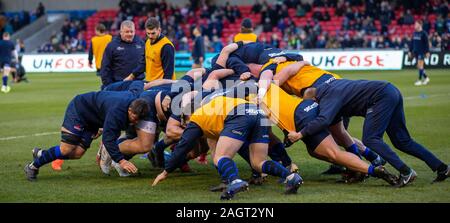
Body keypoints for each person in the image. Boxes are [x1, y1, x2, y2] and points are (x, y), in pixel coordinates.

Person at [288, 79, 449, 187]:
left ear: (314, 100)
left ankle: (406, 172)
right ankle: (442, 168)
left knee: (371, 139)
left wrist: (300, 134)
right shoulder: (332, 86)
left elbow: (323, 120)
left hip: (380, 98)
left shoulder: (327, 96)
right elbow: (337, 127)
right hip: (390, 91)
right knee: (402, 141)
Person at [152, 93, 303, 200]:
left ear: (188, 115)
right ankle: (291, 177)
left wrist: (166, 171)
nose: (185, 125)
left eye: (184, 121)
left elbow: (183, 146)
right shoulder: (213, 106)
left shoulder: (197, 118)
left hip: (239, 115)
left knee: (220, 157)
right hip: (257, 112)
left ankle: (235, 181)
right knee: (258, 163)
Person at [24, 90, 150, 181]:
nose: (136, 122)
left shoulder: (135, 103)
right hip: (79, 110)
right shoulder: (117, 112)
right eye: (135, 117)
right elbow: (108, 140)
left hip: (93, 120)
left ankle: (42, 154)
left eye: (139, 119)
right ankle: (32, 166)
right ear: (129, 110)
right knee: (66, 149)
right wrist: (121, 161)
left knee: (78, 153)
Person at [100, 20, 145, 89]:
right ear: (121, 32)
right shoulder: (112, 45)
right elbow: (105, 67)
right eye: (127, 32)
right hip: (119, 85)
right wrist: (108, 85)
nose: (130, 34)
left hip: (138, 84)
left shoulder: (141, 43)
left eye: (131, 31)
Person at [129, 17, 175, 82]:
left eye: (153, 33)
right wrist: (132, 76)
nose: (150, 36)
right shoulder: (148, 42)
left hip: (160, 86)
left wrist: (162, 88)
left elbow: (168, 74)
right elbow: (144, 63)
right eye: (148, 33)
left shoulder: (166, 46)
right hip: (149, 82)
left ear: (159, 30)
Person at [409, 20, 430, 86]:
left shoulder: (424, 33)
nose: (415, 25)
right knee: (419, 66)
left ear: (420, 25)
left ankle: (419, 80)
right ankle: (426, 78)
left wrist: (427, 52)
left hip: (422, 52)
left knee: (420, 65)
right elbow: (412, 43)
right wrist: (410, 51)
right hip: (416, 52)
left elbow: (427, 43)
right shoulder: (414, 33)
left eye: (416, 24)